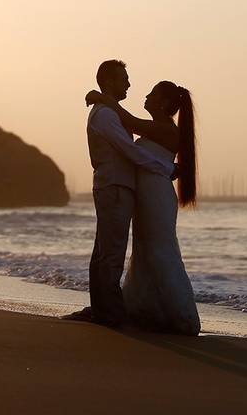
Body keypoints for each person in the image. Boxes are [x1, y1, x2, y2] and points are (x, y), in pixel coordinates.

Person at [85, 79, 201, 336]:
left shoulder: (166, 130)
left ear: (163, 103)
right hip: (146, 195)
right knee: (144, 249)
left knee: (161, 250)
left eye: (152, 94)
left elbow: (129, 122)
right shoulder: (156, 128)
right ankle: (149, 310)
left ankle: (181, 315)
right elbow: (130, 127)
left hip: (157, 196)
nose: (145, 96)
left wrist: (103, 97)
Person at [63, 60, 174, 327]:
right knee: (111, 251)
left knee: (105, 249)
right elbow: (129, 149)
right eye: (123, 78)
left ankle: (102, 309)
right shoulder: (105, 115)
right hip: (114, 186)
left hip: (114, 185)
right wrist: (165, 168)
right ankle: (109, 314)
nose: (128, 84)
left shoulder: (107, 111)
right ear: (109, 81)